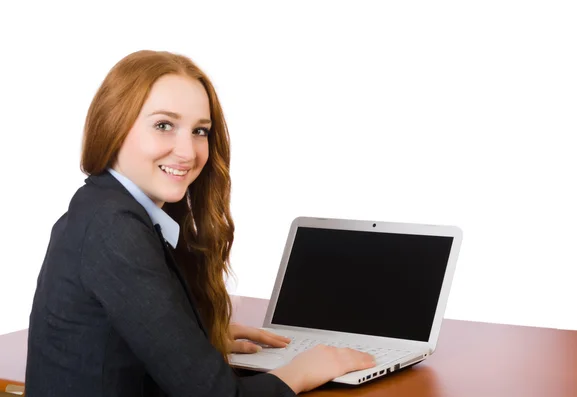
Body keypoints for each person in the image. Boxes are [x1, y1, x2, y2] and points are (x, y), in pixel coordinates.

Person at [24, 50, 376, 396]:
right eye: (164, 125)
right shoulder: (115, 229)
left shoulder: (95, 206)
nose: (188, 152)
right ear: (113, 125)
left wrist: (192, 339)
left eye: (200, 131)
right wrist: (302, 370)